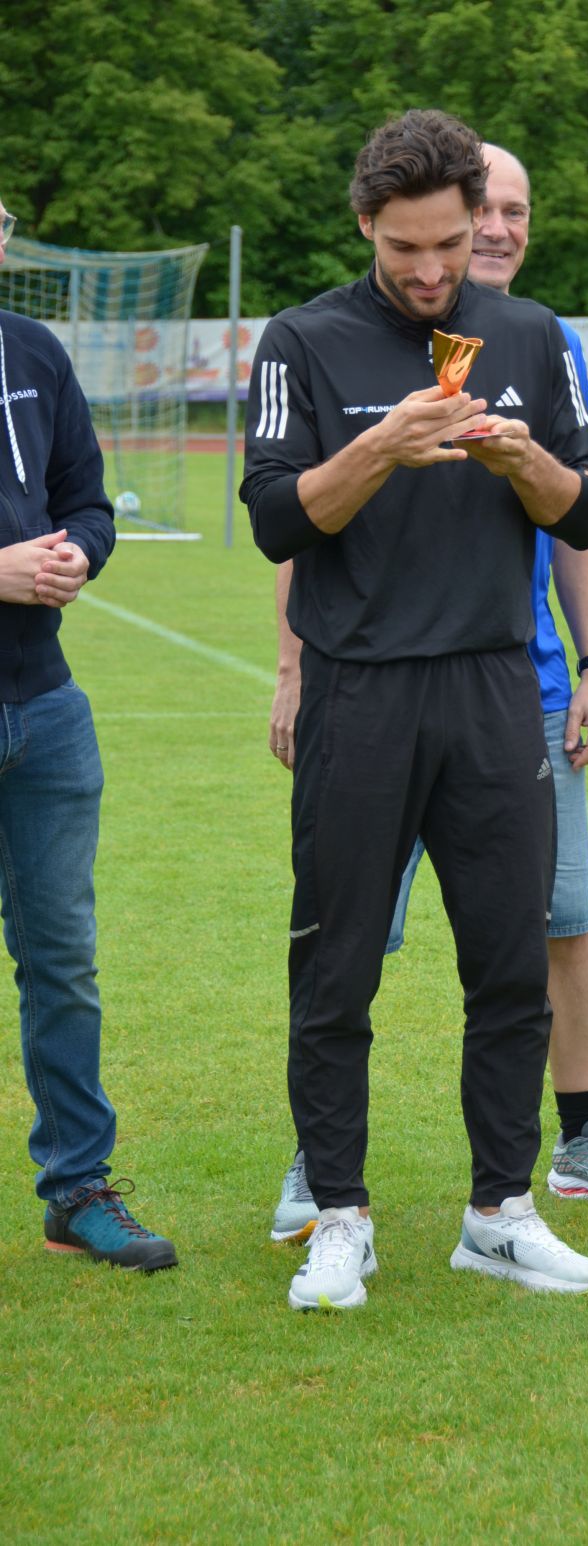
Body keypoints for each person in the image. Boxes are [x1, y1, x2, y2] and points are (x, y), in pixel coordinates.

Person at [241, 110, 588, 1309]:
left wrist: (519, 461)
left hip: (495, 686)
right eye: (404, 246)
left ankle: (500, 1213)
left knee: (507, 964)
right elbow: (276, 519)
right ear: (366, 224)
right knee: (336, 968)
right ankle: (339, 1217)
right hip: (358, 690)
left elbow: (584, 509)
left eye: (449, 242)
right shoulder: (302, 341)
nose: (430, 268)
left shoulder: (529, 334)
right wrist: (382, 449)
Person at [0, 200, 176, 1271]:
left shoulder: (32, 351)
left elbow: (88, 502)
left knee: (62, 964)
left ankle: (76, 1189)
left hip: (47, 711)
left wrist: (79, 553)